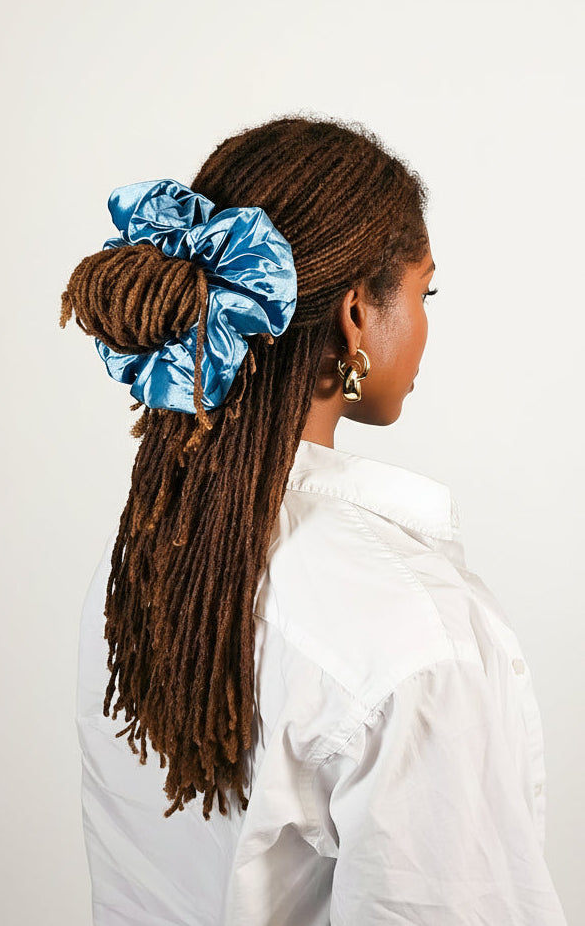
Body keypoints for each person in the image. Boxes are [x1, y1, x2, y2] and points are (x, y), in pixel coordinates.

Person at [61, 114, 568, 924]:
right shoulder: (409, 634)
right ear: (357, 315)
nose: (429, 320)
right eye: (423, 291)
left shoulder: (140, 568)